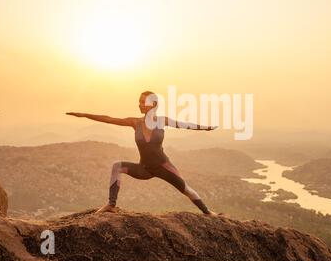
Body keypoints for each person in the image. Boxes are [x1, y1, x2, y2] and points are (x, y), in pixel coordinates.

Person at [66, 91, 220, 216]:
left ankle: (207, 212)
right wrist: (84, 114)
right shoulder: (135, 122)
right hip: (144, 169)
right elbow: (109, 119)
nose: (139, 105)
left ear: (153, 104)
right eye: (139, 101)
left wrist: (206, 127)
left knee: (187, 190)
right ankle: (111, 205)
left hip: (164, 167)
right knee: (117, 166)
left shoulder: (162, 121)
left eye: (142, 102)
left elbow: (186, 125)